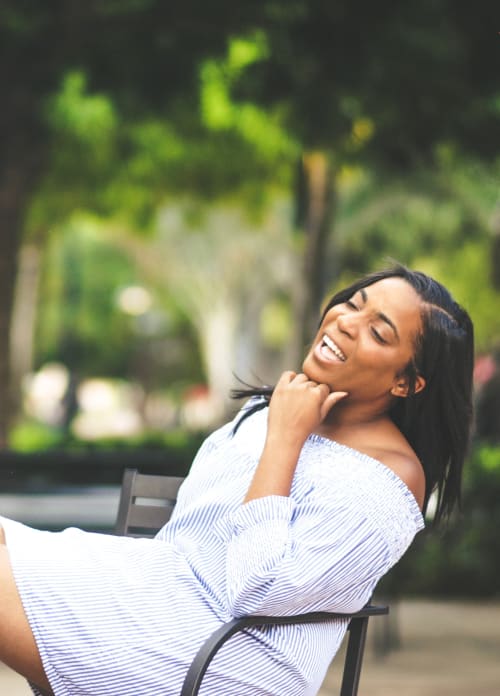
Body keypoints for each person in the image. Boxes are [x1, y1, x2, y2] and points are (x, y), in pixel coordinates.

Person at [0, 263, 474, 696]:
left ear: (406, 383)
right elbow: (190, 539)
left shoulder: (388, 477)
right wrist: (281, 425)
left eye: (378, 332)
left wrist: (284, 441)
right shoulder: (273, 408)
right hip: (154, 601)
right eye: (353, 304)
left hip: (222, 660)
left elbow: (256, 589)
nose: (345, 323)